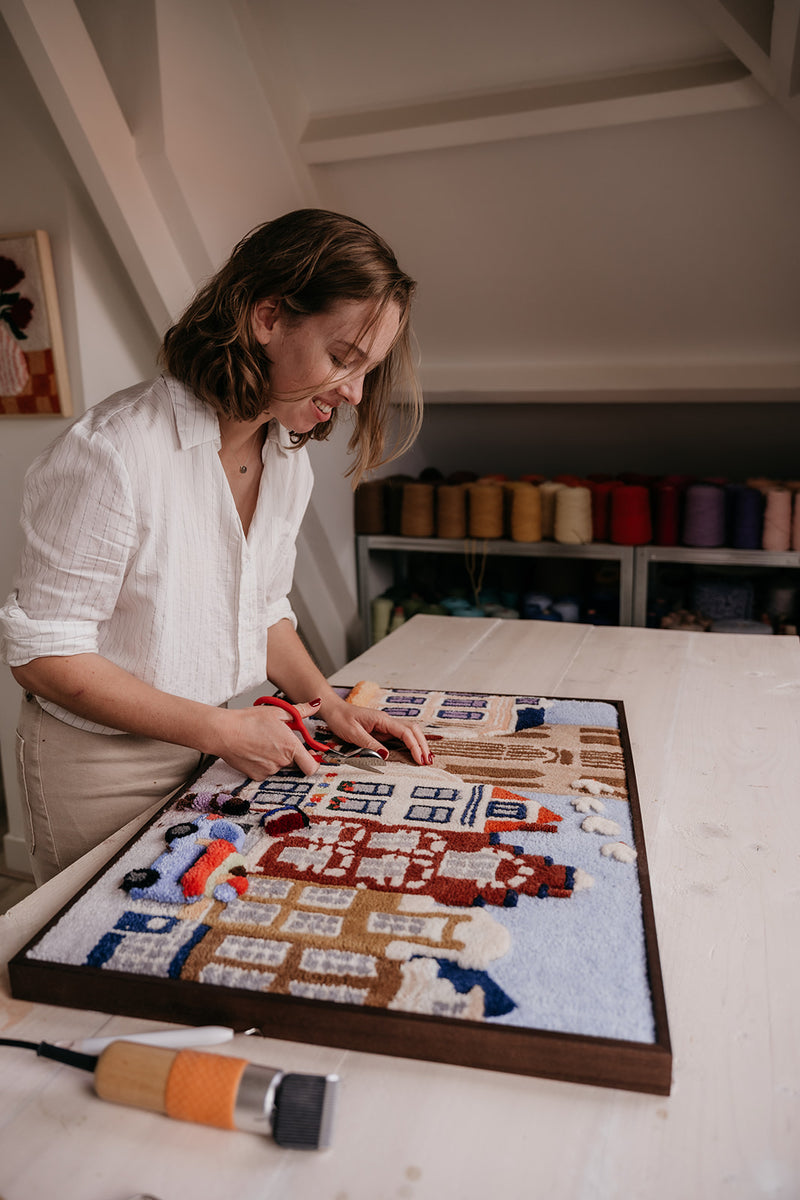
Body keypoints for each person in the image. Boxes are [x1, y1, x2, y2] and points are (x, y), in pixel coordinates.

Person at [0, 208, 431, 884]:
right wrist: (219, 730)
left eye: (367, 371)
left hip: (209, 745)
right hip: (97, 769)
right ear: (267, 318)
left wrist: (331, 701)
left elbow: (261, 609)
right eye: (344, 359)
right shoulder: (113, 452)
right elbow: (42, 654)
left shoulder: (287, 459)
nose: (352, 393)